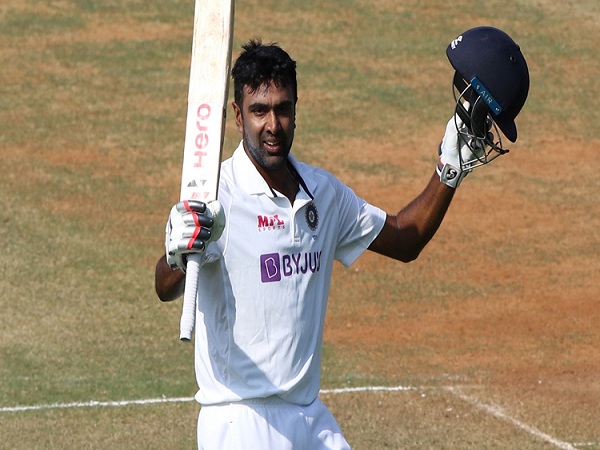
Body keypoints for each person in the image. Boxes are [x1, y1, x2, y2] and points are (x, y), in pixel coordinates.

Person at [155, 28, 528, 450]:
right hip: (239, 420)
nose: (273, 125)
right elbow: (165, 287)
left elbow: (405, 239)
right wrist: (177, 254)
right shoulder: (215, 197)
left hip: (308, 414)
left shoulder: (323, 193)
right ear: (238, 116)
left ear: (296, 110)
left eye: (283, 110)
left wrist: (450, 168)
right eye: (259, 111)